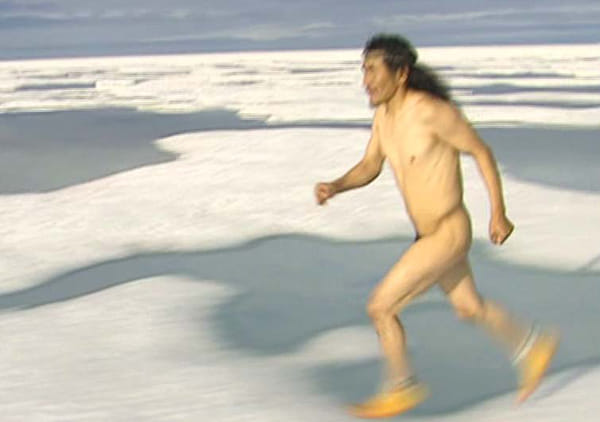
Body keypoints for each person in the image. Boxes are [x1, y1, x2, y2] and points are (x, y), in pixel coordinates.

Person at [314, 34, 559, 419]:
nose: (366, 80)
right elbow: (370, 165)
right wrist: (336, 185)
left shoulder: (431, 112)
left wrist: (498, 213)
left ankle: (401, 387)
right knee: (468, 307)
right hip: (427, 234)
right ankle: (534, 346)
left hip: (448, 230)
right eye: (364, 70)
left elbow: (480, 151)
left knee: (380, 307)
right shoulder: (383, 118)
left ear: (401, 74)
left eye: (373, 70)